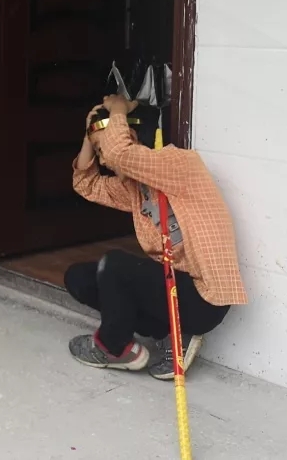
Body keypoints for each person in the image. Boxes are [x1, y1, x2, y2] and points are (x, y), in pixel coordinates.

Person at [66, 96, 248, 378]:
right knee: (81, 278)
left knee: (115, 265)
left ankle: (113, 347)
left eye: (102, 149)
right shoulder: (134, 189)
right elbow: (86, 184)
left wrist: (118, 108)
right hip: (170, 290)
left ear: (131, 136)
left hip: (203, 299)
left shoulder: (179, 164)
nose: (102, 160)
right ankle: (168, 335)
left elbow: (118, 154)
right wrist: (89, 136)